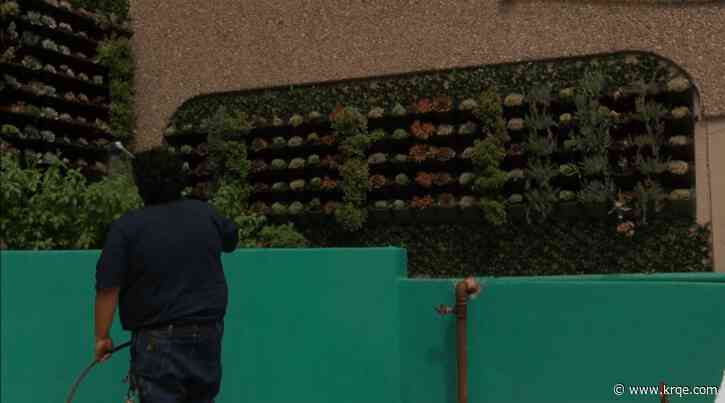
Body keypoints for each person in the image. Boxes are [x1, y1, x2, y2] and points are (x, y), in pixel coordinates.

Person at [93, 147, 238, 402]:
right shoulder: (205, 213)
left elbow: (108, 287)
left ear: (140, 185)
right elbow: (231, 239)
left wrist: (102, 337)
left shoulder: (126, 227)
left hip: (156, 342)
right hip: (207, 335)